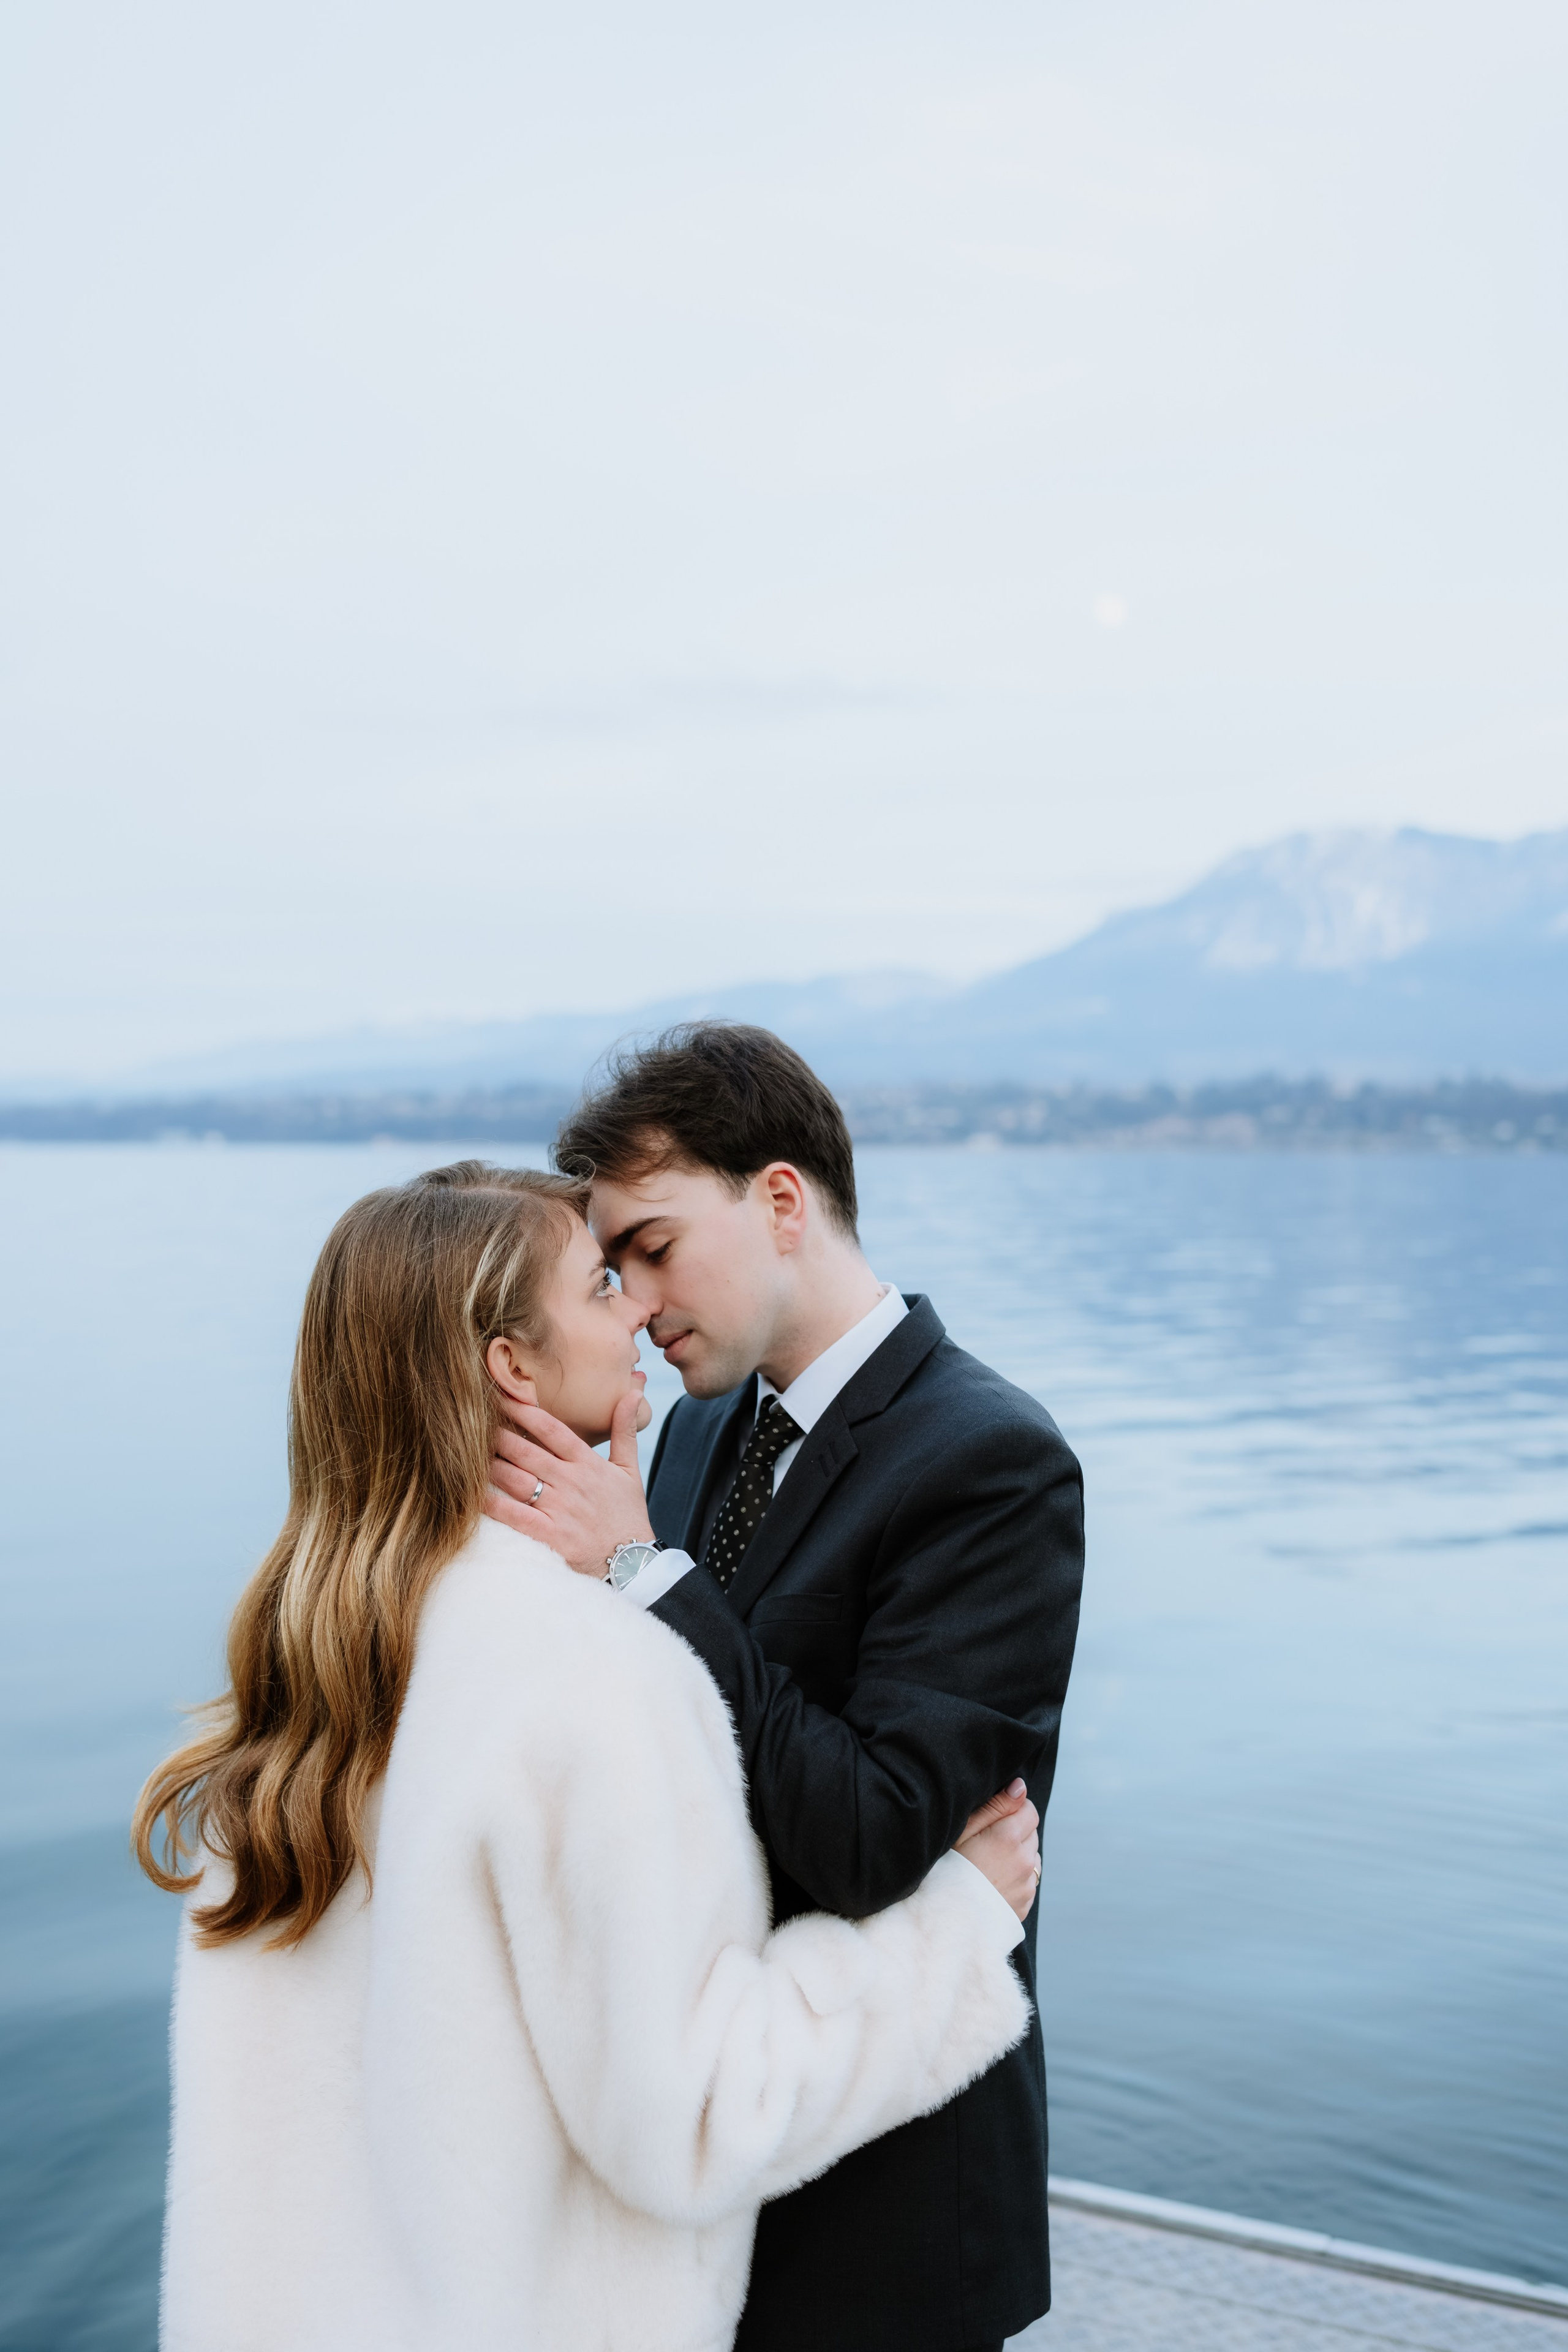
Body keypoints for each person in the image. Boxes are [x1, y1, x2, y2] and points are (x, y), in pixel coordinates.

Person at [133, 1163, 1045, 2352]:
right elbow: (694, 2116)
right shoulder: (589, 1676)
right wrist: (957, 1930)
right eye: (602, 1282)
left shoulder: (298, 1672)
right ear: (510, 1365)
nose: (641, 1314)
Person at [486, 1024, 1085, 2352]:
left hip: (884, 2209)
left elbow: (873, 1839)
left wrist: (646, 1571)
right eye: (612, 1268)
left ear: (777, 1199)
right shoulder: (694, 1427)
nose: (634, 1302)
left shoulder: (990, 1463)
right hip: (696, 2163)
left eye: (651, 1246)